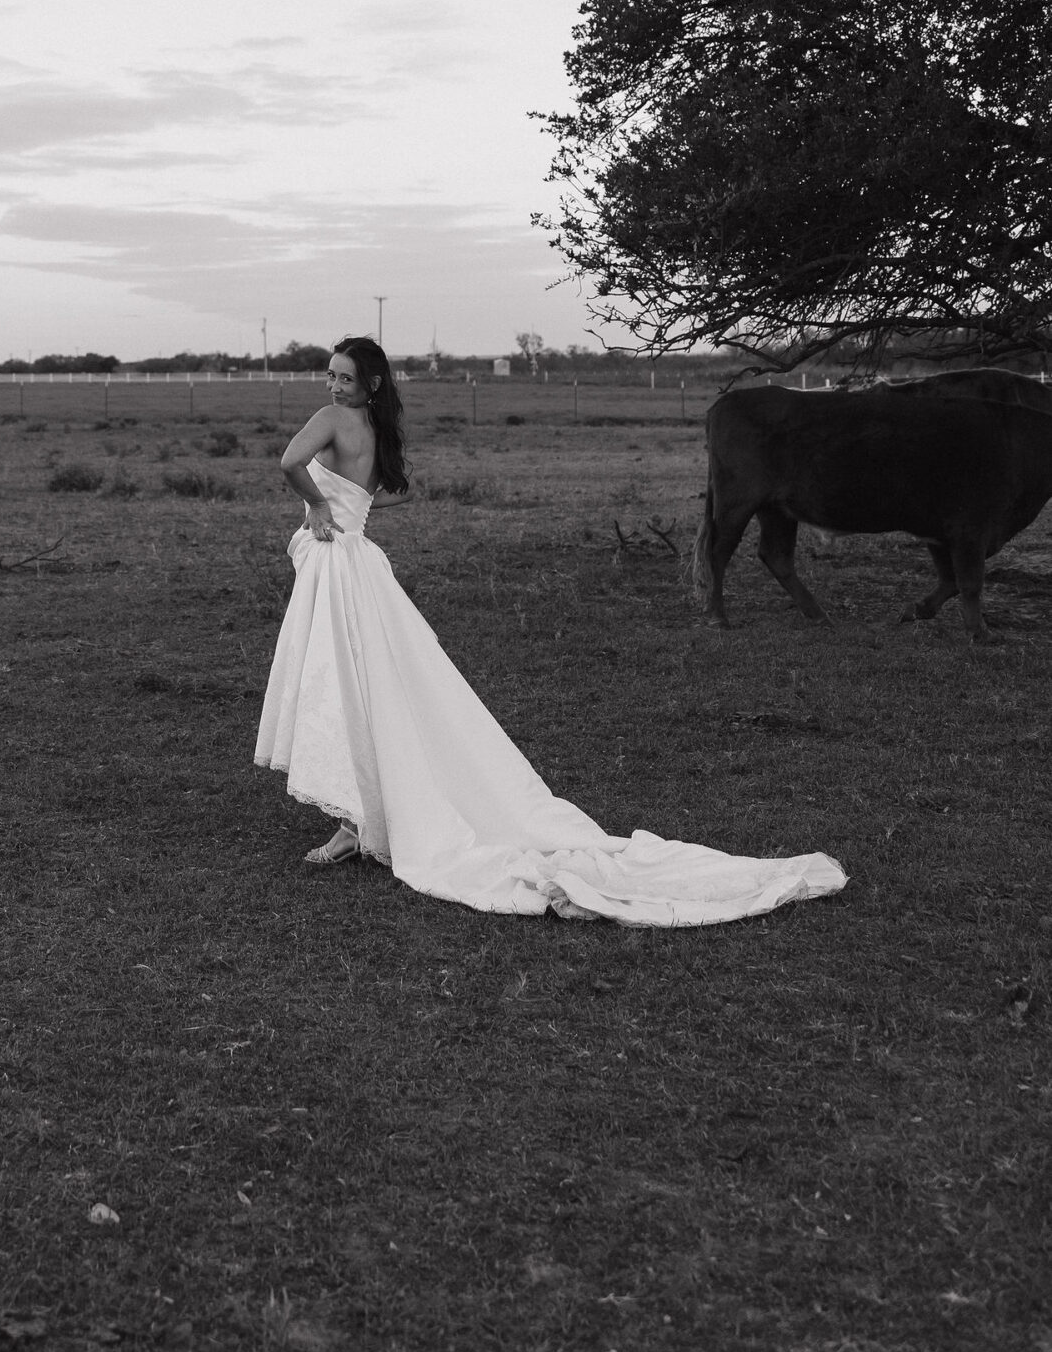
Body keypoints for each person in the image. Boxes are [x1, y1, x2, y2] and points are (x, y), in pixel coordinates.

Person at [255, 338, 846, 926]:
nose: (334, 387)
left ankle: (357, 822)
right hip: (360, 561)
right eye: (331, 377)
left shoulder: (331, 421)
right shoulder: (380, 434)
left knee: (342, 682)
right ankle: (359, 818)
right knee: (369, 685)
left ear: (369, 385)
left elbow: (287, 462)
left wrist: (314, 504)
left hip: (338, 567)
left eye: (345, 379)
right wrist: (344, 507)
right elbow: (379, 496)